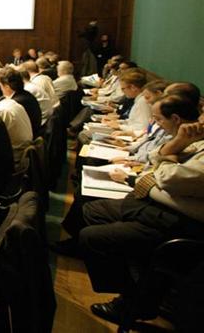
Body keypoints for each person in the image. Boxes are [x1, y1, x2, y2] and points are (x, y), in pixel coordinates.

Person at [75, 102, 204, 324]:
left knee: (93, 237)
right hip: (164, 205)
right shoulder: (195, 141)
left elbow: (168, 177)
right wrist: (175, 147)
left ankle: (136, 300)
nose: (199, 122)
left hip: (187, 226)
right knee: (94, 210)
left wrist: (164, 165)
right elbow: (159, 160)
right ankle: (147, 286)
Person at [0, 66, 42, 139]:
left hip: (28, 141)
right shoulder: (24, 94)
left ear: (7, 87)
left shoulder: (16, 103)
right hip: (34, 135)